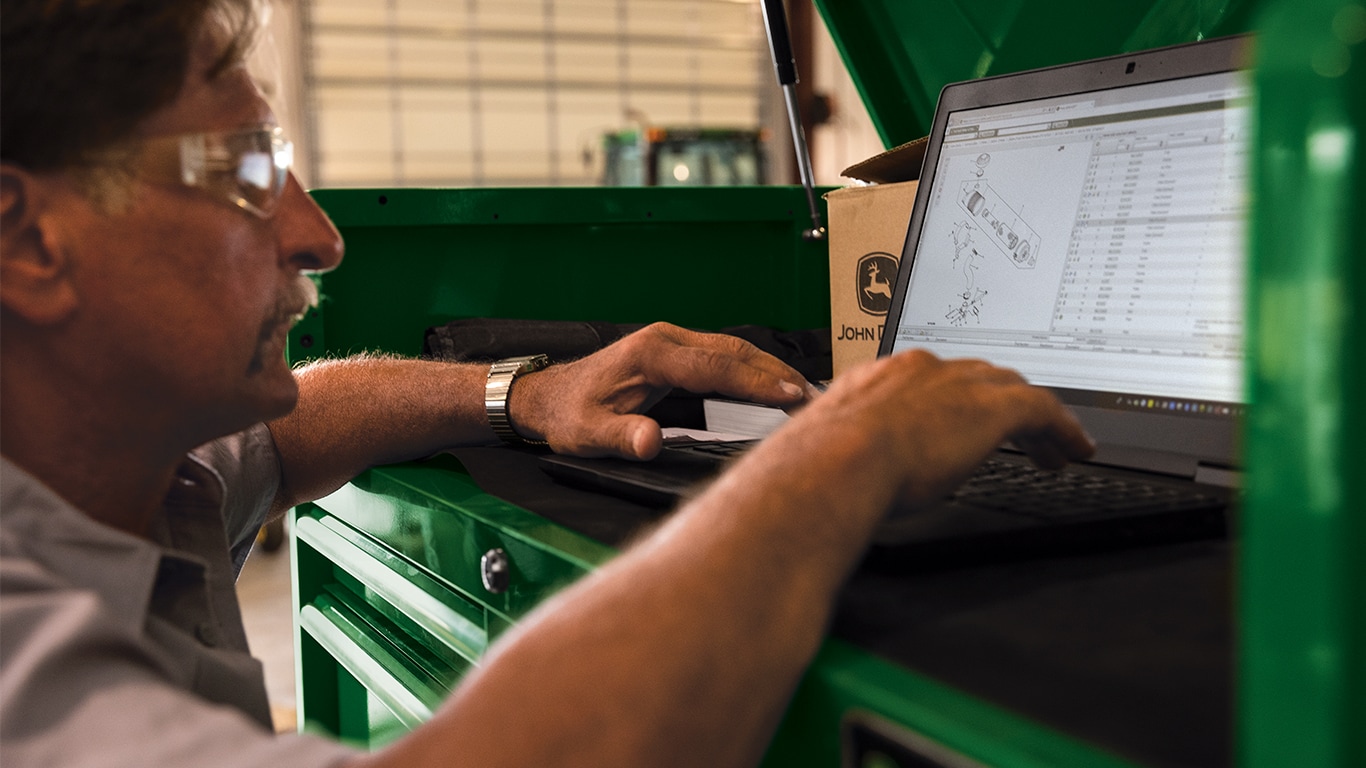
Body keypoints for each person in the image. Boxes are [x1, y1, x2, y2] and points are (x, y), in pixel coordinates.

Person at [0, 1, 1094, 766]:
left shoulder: (124, 470)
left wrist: (523, 394)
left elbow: (293, 434)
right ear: (27, 241)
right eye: (241, 172)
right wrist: (844, 452)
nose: (317, 236)